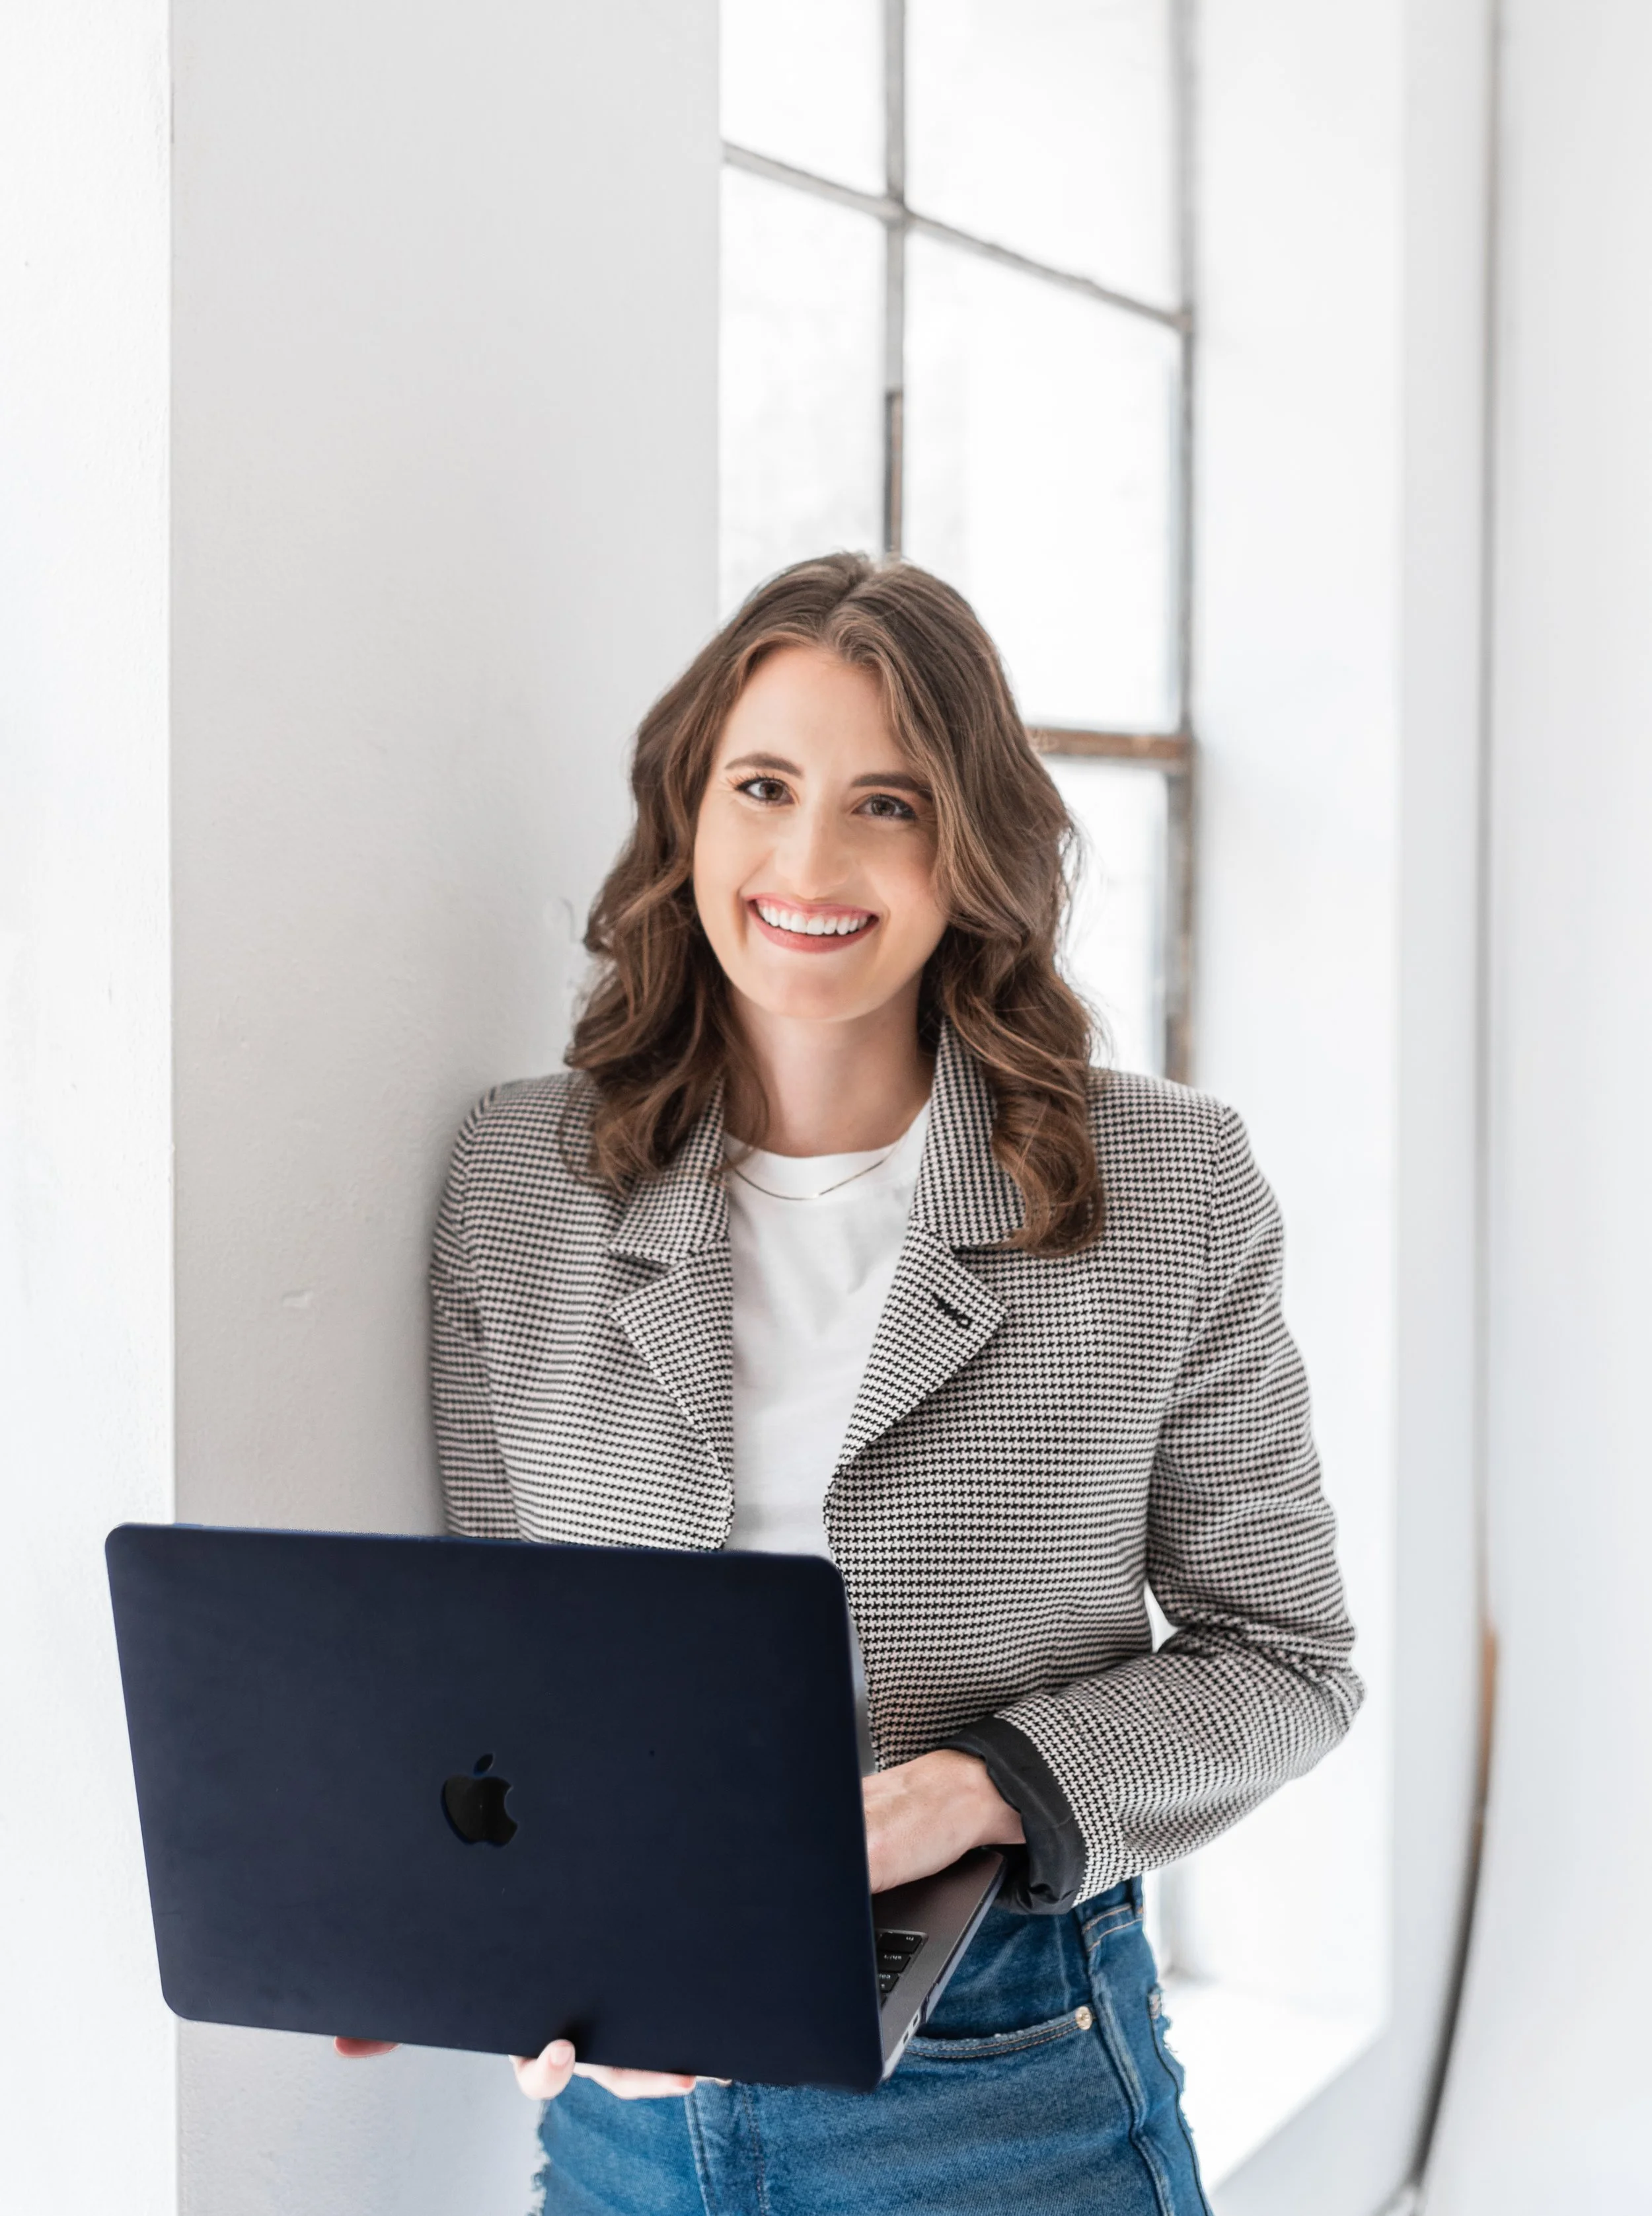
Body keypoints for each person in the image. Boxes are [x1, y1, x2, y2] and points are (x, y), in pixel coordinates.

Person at [338, 553, 1361, 2214]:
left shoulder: (1163, 1184)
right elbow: (508, 1657)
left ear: (970, 854)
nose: (809, 861)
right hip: (622, 2107)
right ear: (686, 816)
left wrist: (983, 1789)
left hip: (1006, 2080)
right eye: (763, 787)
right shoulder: (520, 1175)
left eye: (886, 804)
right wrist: (449, 1928)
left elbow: (1286, 1661)